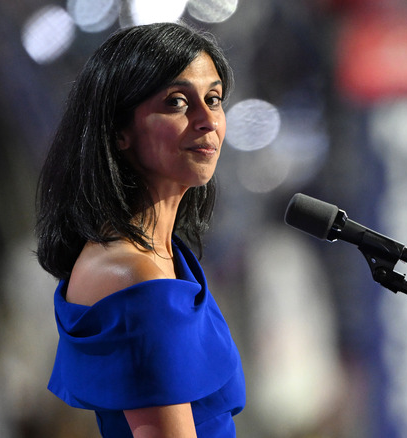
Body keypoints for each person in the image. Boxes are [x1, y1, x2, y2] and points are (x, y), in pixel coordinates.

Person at [35, 22, 245, 437]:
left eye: (214, 99)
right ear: (119, 131)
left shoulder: (165, 256)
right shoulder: (135, 277)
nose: (208, 120)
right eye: (177, 102)